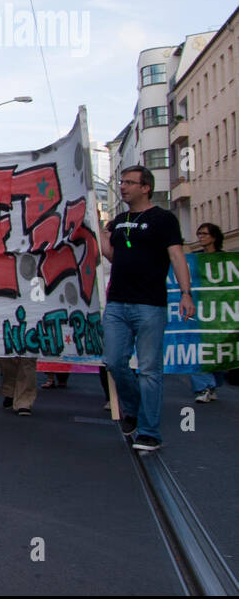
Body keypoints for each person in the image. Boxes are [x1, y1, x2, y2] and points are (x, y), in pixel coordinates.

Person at [100, 165, 195, 452]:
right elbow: (113, 256)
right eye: (122, 182)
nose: (123, 186)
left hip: (150, 304)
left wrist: (185, 293)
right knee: (114, 361)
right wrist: (99, 231)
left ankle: (149, 431)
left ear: (146, 187)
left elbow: (176, 256)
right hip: (117, 302)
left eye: (130, 182)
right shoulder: (118, 221)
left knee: (150, 369)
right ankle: (135, 408)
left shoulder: (163, 219)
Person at [190, 222, 225, 402]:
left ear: (213, 236)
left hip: (220, 311)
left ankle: (212, 384)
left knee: (217, 349)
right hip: (200, 309)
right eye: (199, 234)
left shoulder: (224, 259)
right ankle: (202, 387)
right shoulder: (194, 258)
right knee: (198, 347)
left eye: (204, 234)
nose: (201, 237)